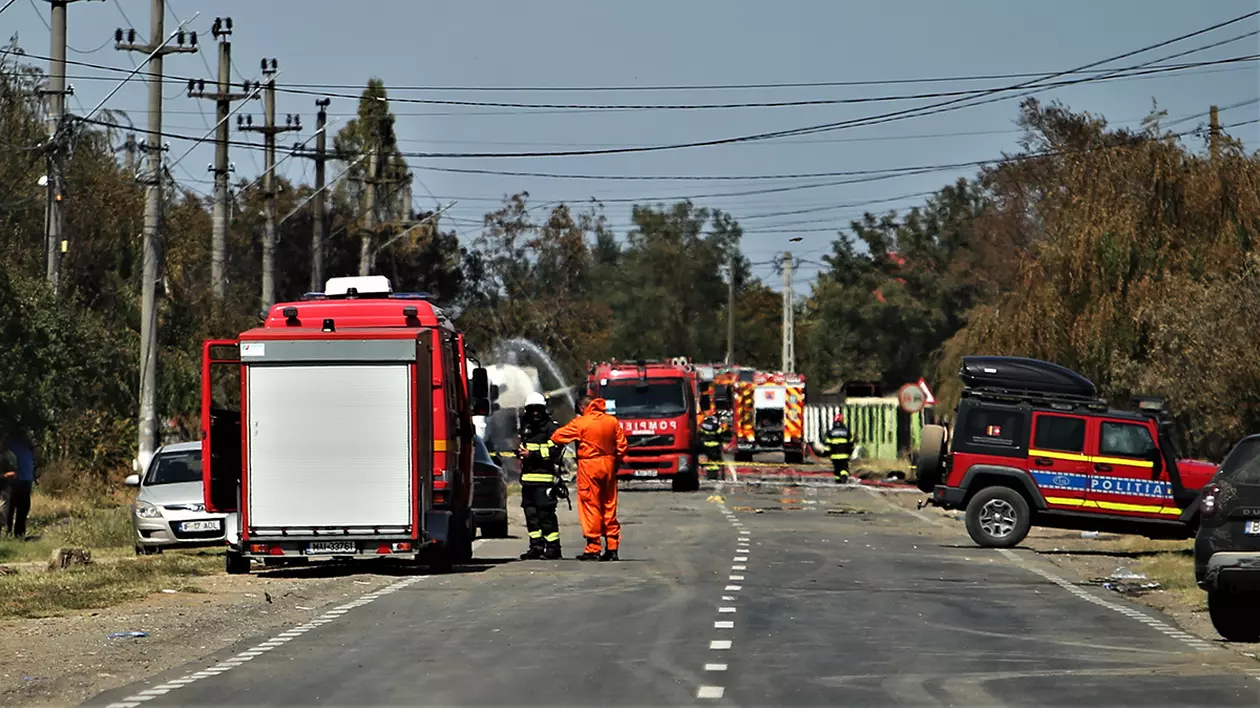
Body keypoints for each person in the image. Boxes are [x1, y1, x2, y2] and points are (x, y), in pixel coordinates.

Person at [551, 391, 628, 561]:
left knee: (590, 506)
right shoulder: (612, 421)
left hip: (589, 465)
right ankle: (612, 547)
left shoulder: (581, 422)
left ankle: (593, 547)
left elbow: (558, 437)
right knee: (609, 505)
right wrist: (614, 463)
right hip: (608, 465)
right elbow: (622, 446)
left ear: (581, 407)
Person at [516, 393, 564, 560]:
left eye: (538, 409)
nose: (535, 413)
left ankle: (553, 548)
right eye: (532, 409)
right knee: (531, 515)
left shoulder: (552, 428)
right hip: (528, 480)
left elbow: (555, 452)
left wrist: (532, 454)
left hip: (545, 479)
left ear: (544, 410)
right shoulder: (525, 426)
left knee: (546, 516)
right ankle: (536, 546)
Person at [0, 429, 34, 538]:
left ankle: (18, 534)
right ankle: (8, 532)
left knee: (22, 508)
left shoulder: (27, 441)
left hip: (25, 478)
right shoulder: (8, 441)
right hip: (14, 479)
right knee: (10, 506)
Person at [824, 413, 854, 484]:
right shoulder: (847, 431)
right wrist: (850, 452)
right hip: (845, 455)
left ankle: (838, 479)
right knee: (844, 467)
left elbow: (828, 445)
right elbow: (851, 443)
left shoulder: (831, 432)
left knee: (837, 468)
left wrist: (826, 453)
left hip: (834, 456)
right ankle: (844, 476)